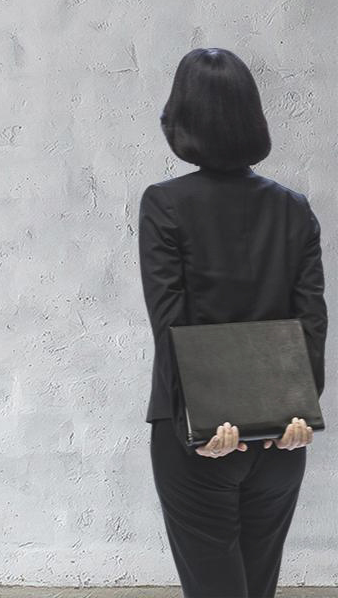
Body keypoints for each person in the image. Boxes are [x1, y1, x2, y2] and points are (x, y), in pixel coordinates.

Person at [138, 47, 327, 598]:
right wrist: (298, 416)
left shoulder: (165, 204)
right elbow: (311, 320)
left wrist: (194, 429)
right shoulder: (294, 208)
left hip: (200, 439)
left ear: (180, 118)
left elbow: (169, 323)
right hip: (281, 436)